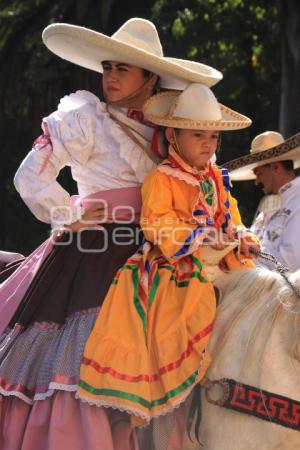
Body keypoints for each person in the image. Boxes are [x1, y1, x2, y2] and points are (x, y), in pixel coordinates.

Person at [0, 18, 223, 450]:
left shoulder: (169, 126)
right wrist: (67, 213)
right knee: (86, 355)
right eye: (108, 67)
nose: (111, 77)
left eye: (123, 69)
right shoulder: (83, 118)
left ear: (150, 78)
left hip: (157, 253)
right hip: (91, 253)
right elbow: (29, 176)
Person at [77, 83, 260, 448]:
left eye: (213, 137)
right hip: (175, 263)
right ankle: (189, 384)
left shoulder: (216, 177)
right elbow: (157, 222)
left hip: (219, 260)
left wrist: (239, 234)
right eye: (198, 135)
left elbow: (231, 217)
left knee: (255, 295)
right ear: (174, 136)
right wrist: (198, 238)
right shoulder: (162, 177)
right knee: (194, 301)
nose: (208, 145)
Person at [224, 130, 300, 270]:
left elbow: (292, 261)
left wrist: (244, 250)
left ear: (275, 167)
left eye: (259, 173)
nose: (257, 181)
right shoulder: (271, 205)